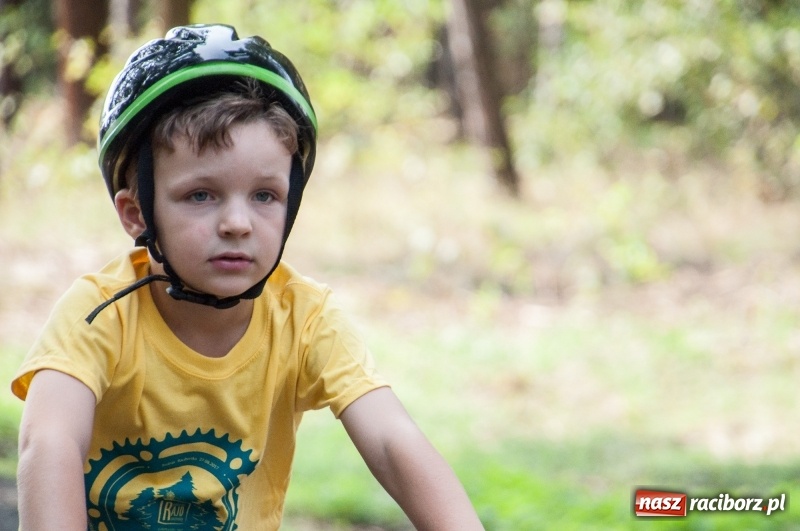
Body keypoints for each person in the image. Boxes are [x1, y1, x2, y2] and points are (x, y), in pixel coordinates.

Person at [12, 24, 484, 530]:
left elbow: (394, 442)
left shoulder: (303, 318)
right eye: (201, 195)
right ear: (137, 213)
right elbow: (50, 440)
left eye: (264, 196)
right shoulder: (99, 314)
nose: (237, 223)